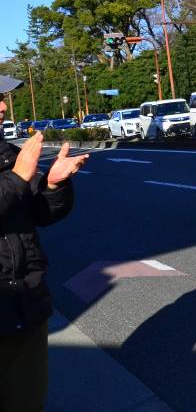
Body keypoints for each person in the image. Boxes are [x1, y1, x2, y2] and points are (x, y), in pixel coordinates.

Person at [0, 76, 88, 410]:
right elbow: (14, 186)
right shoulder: (15, 166)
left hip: (24, 307)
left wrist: (54, 185)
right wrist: (16, 178)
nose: (4, 106)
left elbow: (40, 211)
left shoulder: (7, 153)